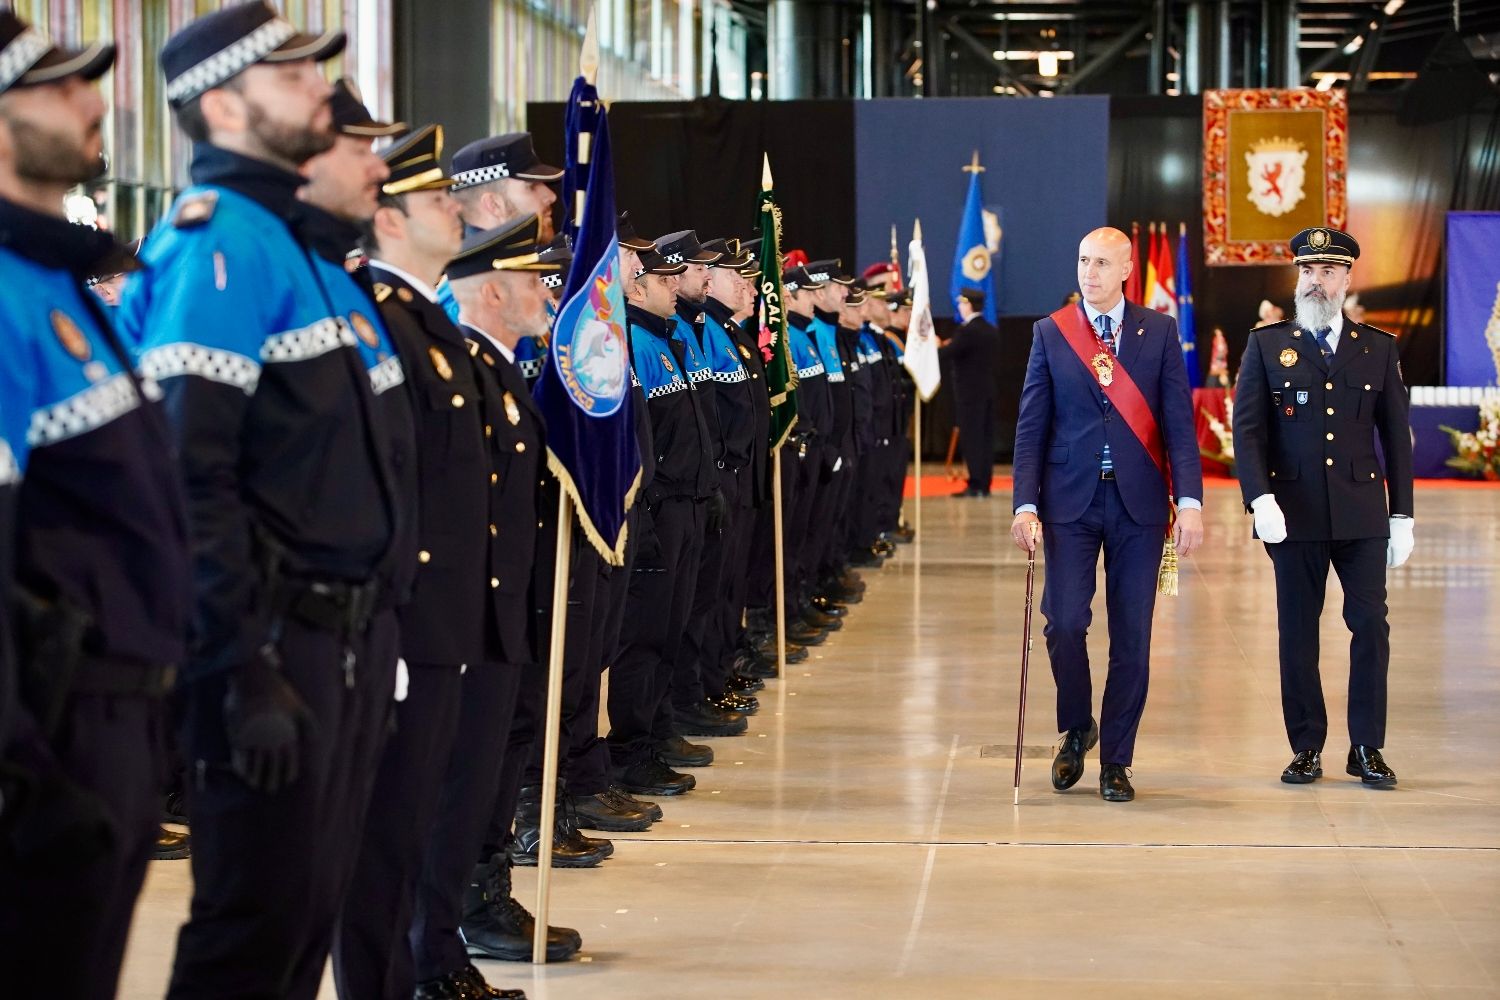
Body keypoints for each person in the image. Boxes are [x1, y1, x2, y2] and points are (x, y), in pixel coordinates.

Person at [123, 5, 403, 995]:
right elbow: (187, 479)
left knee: (305, 919)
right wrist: (238, 669)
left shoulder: (302, 253)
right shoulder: (218, 247)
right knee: (251, 929)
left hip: (344, 646)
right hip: (275, 647)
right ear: (223, 104)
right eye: (290, 77)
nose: (320, 90)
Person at [0, 15, 190, 995]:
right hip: (45, 751)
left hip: (115, 724)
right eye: (57, 87)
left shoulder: (57, 278)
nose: (93, 103)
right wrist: (24, 773)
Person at [1011, 226, 1204, 803]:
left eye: (1100, 262)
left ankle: (1117, 760)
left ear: (1126, 269)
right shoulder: (1052, 333)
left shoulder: (1159, 332)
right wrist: (1025, 503)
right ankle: (1077, 726)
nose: (1087, 272)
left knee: (1132, 637)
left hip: (1139, 505)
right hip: (1069, 501)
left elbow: (1177, 424)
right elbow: (1030, 427)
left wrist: (1189, 503)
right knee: (1064, 622)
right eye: (1081, 260)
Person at [1230, 227, 1413, 788]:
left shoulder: (1377, 347)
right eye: (1307, 271)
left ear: (1347, 279)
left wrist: (1401, 514)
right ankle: (1306, 745)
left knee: (1370, 628)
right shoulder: (1266, 344)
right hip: (1294, 513)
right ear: (1297, 277)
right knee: (1297, 633)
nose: (1316, 281)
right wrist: (1259, 498)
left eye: (1328, 271)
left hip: (1361, 514)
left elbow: (1396, 438)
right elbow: (1249, 430)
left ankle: (1366, 747)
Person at [608, 243, 718, 797]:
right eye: (664, 277)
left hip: (689, 503)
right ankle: (629, 750)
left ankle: (660, 730)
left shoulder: (667, 338)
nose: (676, 285)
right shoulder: (632, 344)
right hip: (658, 509)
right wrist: (644, 515)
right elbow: (637, 441)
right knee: (643, 637)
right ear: (636, 287)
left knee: (672, 628)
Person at [940, 288, 1001, 497]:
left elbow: (948, 353)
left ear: (968, 305)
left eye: (962, 304)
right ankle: (984, 482)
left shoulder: (968, 331)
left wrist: (934, 346)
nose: (959, 307)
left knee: (972, 437)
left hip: (969, 393)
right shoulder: (990, 330)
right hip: (987, 390)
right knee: (985, 437)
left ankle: (975, 483)